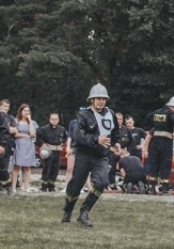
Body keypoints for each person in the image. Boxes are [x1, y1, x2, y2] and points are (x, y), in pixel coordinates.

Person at [62, 83, 116, 227]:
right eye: (98, 99)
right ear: (92, 100)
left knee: (102, 183)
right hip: (84, 155)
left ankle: (84, 211)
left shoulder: (111, 114)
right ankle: (68, 211)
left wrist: (116, 143)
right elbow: (78, 136)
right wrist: (96, 139)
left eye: (103, 99)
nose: (101, 101)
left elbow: (114, 132)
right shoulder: (83, 115)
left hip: (101, 156)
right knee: (75, 186)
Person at [146, 96, 174, 188]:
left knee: (155, 164)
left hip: (155, 143)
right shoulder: (170, 113)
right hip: (166, 143)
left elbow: (148, 117)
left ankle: (152, 188)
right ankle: (164, 188)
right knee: (165, 164)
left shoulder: (157, 112)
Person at [10, 104, 39, 194]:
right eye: (24, 110)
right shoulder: (16, 121)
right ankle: (13, 187)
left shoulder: (32, 122)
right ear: (21, 111)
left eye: (28, 111)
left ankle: (26, 187)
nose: (26, 112)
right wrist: (26, 136)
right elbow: (16, 134)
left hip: (29, 145)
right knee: (16, 166)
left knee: (27, 167)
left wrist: (30, 121)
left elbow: (33, 134)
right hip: (19, 144)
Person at [37, 111, 66, 193]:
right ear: (49, 119)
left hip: (57, 152)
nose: (54, 121)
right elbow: (38, 138)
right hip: (48, 152)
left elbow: (65, 138)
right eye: (52, 119)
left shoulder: (62, 129)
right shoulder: (44, 129)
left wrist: (62, 144)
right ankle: (44, 187)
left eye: (56, 119)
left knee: (55, 170)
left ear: (58, 120)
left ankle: (51, 186)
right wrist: (43, 144)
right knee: (47, 169)